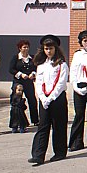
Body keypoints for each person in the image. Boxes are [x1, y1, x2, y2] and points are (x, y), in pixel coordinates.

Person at [28, 35, 69, 165]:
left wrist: (51, 97)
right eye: (46, 49)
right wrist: (42, 98)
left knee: (58, 126)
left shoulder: (62, 65)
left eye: (51, 48)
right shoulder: (41, 65)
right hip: (44, 99)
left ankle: (60, 152)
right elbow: (39, 83)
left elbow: (61, 83)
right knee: (43, 126)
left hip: (57, 99)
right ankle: (38, 155)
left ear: (55, 49)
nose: (49, 51)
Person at [8, 39, 38, 125]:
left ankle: (35, 120)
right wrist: (21, 74)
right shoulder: (15, 58)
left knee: (32, 100)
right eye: (24, 47)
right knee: (17, 101)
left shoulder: (32, 58)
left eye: (27, 47)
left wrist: (33, 73)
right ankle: (17, 121)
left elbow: (36, 68)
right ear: (20, 48)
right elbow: (11, 69)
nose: (26, 49)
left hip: (28, 82)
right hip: (18, 83)